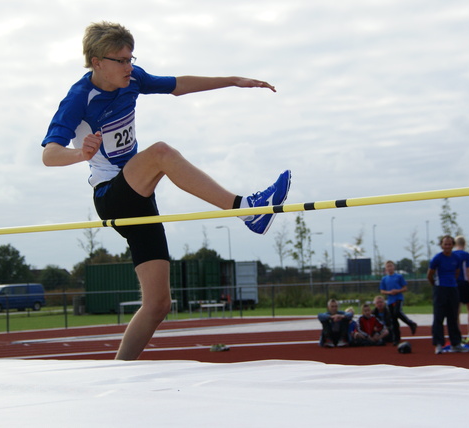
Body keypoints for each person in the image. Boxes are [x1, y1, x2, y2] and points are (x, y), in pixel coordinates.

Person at [42, 22, 291, 360]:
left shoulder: (132, 79)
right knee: (161, 153)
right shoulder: (78, 99)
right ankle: (246, 209)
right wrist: (79, 154)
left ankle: (119, 370)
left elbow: (178, 85)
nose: (129, 67)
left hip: (138, 195)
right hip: (111, 196)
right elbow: (49, 154)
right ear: (96, 61)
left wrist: (233, 80)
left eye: (131, 58)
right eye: (120, 60)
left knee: (158, 304)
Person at [427, 235, 469, 354]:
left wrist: (452, 283)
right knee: (439, 317)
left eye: (449, 244)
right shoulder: (437, 258)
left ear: (453, 245)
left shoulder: (457, 258)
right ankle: (439, 344)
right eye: (445, 244)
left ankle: (455, 343)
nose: (447, 246)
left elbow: (457, 272)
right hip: (440, 289)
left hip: (453, 289)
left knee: (453, 317)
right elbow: (430, 274)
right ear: (441, 245)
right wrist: (436, 285)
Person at [379, 260, 417, 345]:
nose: (389, 268)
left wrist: (397, 291)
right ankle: (396, 338)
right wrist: (389, 292)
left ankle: (411, 323)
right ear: (385, 268)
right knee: (393, 319)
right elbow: (382, 291)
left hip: (398, 298)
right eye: (387, 266)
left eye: (391, 266)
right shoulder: (384, 279)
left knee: (397, 312)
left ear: (394, 267)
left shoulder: (399, 276)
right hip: (390, 300)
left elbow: (405, 288)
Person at [453, 236, 469, 343]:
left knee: (457, 311)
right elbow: (468, 272)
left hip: (455, 284)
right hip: (465, 283)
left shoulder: (452, 254)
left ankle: (458, 334)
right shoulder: (466, 255)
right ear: (464, 244)